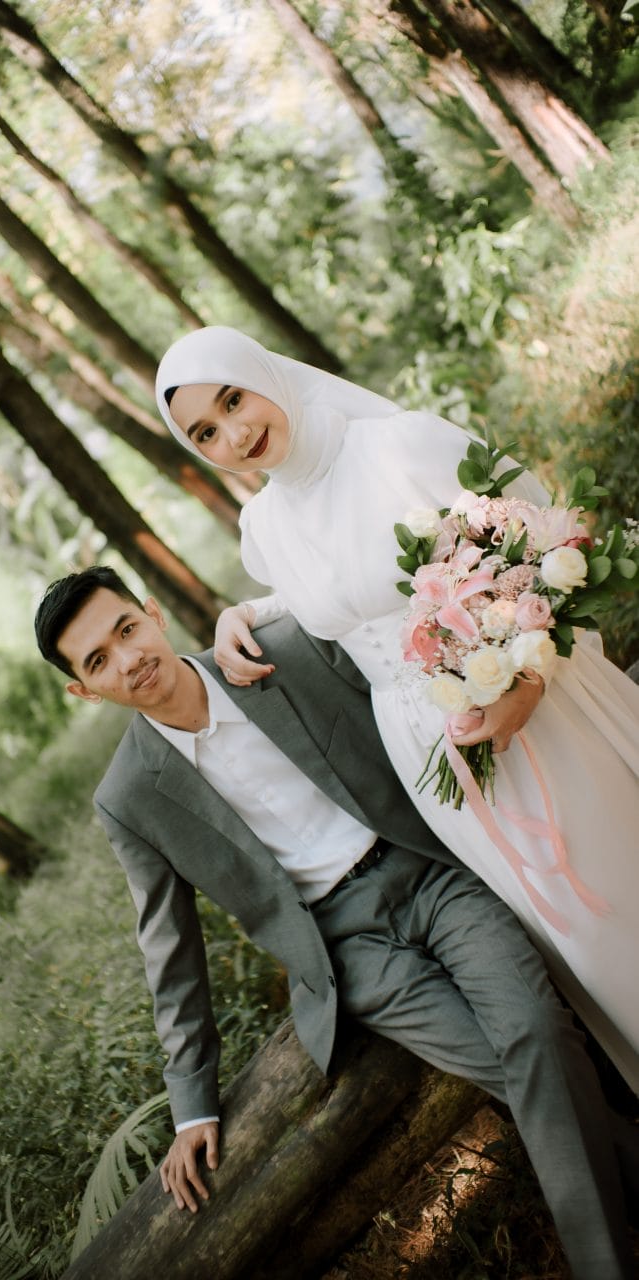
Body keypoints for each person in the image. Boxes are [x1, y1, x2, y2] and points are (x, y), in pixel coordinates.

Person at [34, 565, 638, 1279]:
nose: (129, 658)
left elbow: (389, 657)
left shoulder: (279, 653)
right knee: (508, 1062)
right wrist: (191, 1103)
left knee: (532, 1031)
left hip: (427, 871)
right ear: (84, 690)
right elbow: (168, 946)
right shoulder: (128, 796)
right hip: (346, 949)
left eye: (127, 629)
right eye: (98, 661)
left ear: (154, 613)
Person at [154, 324, 639, 1097]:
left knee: (615, 873)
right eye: (205, 432)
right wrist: (237, 614)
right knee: (570, 929)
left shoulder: (396, 444)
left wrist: (526, 681)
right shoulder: (264, 528)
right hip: (430, 754)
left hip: (527, 697)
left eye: (233, 400)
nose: (234, 434)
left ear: (263, 375)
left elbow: (545, 538)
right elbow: (329, 595)